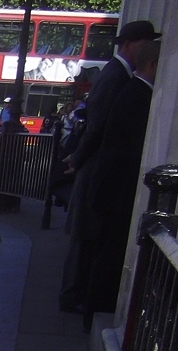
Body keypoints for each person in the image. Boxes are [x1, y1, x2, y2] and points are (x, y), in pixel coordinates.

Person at [58, 19, 161, 313]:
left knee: (89, 236)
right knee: (86, 235)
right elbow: (98, 124)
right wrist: (78, 159)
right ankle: (73, 296)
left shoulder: (117, 74)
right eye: (145, 42)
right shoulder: (117, 76)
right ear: (129, 44)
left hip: (97, 167)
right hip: (98, 169)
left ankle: (77, 295)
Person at [84, 38, 159, 329]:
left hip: (112, 189)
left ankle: (94, 311)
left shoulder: (132, 91)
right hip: (118, 193)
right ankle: (96, 312)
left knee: (105, 253)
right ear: (153, 65)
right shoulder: (136, 96)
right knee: (108, 255)